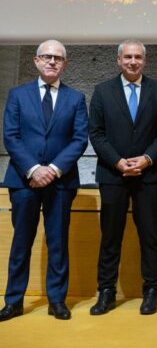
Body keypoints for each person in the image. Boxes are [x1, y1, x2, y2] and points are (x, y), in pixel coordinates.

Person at [0, 41, 88, 322]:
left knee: (58, 242)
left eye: (57, 58)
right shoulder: (17, 95)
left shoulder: (76, 98)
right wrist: (34, 169)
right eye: (47, 57)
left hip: (61, 182)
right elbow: (11, 136)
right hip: (23, 180)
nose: (52, 61)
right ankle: (13, 301)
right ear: (36, 61)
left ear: (65, 64)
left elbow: (79, 139)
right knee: (21, 242)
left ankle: (57, 301)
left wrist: (53, 169)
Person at [88, 40, 157, 316]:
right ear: (118, 60)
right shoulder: (102, 91)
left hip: (150, 174)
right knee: (110, 236)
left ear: (144, 61)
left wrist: (147, 159)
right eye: (128, 57)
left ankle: (151, 291)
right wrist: (118, 162)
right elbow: (96, 133)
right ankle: (106, 292)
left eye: (138, 57)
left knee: (150, 235)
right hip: (113, 174)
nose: (133, 61)